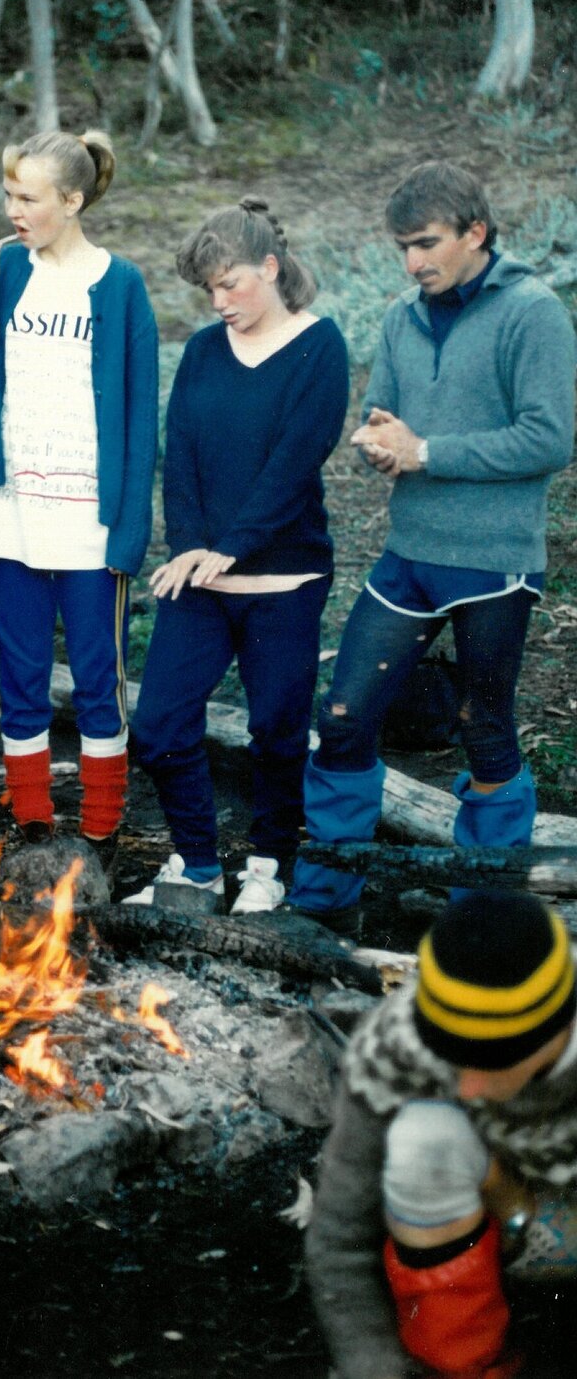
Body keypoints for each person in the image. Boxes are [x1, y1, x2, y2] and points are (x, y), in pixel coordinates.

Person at [290, 162, 576, 937]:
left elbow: (551, 438)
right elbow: (388, 418)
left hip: (493, 563)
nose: (413, 261)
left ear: (474, 233)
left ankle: (481, 914)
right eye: (402, 247)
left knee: (486, 728)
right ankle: (323, 905)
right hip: (409, 554)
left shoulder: (533, 311)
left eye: (426, 244)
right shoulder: (399, 315)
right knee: (345, 714)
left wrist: (427, 452)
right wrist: (378, 444)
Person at [0, 130, 158, 866]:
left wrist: (130, 526)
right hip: (11, 513)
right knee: (20, 671)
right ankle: (31, 817)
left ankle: (102, 824)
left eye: (28, 197)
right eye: (8, 195)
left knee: (100, 675)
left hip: (91, 523)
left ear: (72, 199)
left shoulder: (120, 283)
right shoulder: (5, 271)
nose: (13, 209)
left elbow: (139, 414)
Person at [128, 198, 349, 913]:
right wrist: (192, 546)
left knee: (276, 729)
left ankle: (267, 863)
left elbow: (293, 465)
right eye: (210, 290)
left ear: (271, 268)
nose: (220, 301)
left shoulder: (321, 349)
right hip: (204, 576)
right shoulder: (200, 351)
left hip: (284, 578)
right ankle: (196, 863)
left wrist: (229, 547)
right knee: (159, 725)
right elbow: (181, 454)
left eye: (232, 284)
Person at [306, 889, 577, 1379]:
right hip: (492, 1211)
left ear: (557, 1033)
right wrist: (374, 1367)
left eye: (492, 1064)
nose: (467, 1087)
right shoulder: (395, 1045)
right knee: (422, 1140)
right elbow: (339, 1239)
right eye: (452, 1058)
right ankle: (464, 1363)